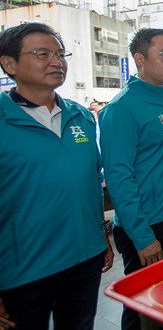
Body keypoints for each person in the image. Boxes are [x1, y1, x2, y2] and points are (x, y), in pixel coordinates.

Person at [0, 23, 113, 329]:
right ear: (9, 63)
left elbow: (91, 181)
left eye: (61, 54)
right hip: (23, 270)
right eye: (42, 53)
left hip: (83, 259)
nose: (56, 61)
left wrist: (101, 233)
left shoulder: (80, 116)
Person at [99, 28, 163, 330]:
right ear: (139, 59)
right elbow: (119, 178)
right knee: (143, 310)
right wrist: (142, 236)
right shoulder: (121, 109)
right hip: (147, 226)